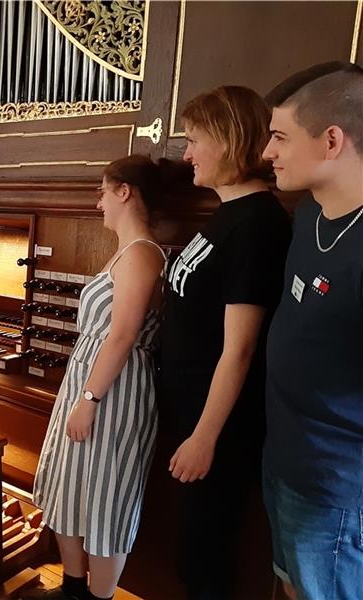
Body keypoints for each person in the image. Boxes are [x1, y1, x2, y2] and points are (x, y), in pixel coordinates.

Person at [158, 86, 291, 599]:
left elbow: (240, 348)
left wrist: (204, 437)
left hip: (220, 426)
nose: (186, 154)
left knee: (207, 559)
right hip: (189, 408)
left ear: (229, 138)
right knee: (191, 550)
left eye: (194, 140)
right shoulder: (227, 213)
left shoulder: (258, 223)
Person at [28, 156, 171, 600]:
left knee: (107, 496)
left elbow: (123, 334)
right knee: (71, 483)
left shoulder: (143, 253)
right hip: (89, 381)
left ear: (125, 192)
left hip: (116, 390)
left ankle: (99, 596)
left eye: (103, 192)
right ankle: (73, 589)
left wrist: (89, 399)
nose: (99, 203)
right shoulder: (125, 251)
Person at [262, 62, 363, 600]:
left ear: (331, 140)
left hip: (336, 487)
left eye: (280, 136)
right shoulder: (308, 213)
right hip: (284, 455)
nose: (266, 152)